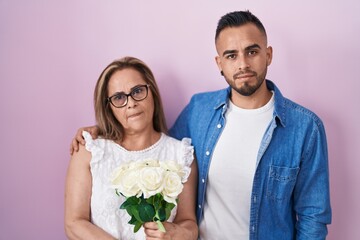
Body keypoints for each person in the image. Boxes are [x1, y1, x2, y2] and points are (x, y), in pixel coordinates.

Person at [70, 11, 332, 239]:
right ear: (219, 64)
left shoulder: (304, 128)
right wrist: (100, 131)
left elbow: (313, 218)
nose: (242, 64)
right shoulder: (199, 111)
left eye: (252, 51)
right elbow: (154, 150)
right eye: (231, 55)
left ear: (268, 54)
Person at [65, 56, 198, 240]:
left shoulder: (181, 154)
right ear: (109, 107)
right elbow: (74, 223)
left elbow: (189, 222)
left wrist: (178, 233)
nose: (131, 103)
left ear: (152, 92)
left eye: (137, 91)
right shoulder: (89, 151)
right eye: (119, 97)